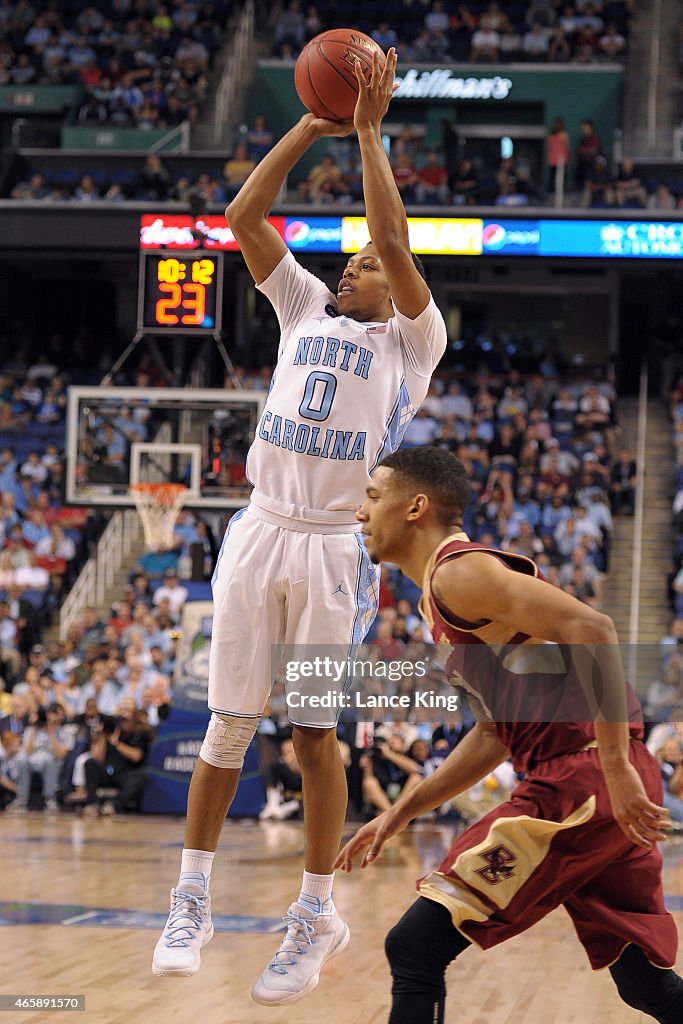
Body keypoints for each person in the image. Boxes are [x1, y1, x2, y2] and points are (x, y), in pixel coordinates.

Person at [152, 48, 447, 1007]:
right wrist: (309, 126)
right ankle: (187, 898)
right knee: (226, 728)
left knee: (314, 736)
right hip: (258, 528)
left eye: (365, 261)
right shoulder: (301, 307)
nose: (357, 265)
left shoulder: (412, 344)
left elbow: (397, 246)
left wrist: (366, 129)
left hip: (330, 547)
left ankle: (313, 912)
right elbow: (242, 217)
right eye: (352, 260)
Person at [336, 446, 682, 1024]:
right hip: (595, 777)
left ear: (415, 506)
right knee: (644, 983)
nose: (360, 513)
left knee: (414, 946)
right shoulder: (442, 593)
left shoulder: (459, 573)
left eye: (373, 497)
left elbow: (594, 628)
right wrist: (400, 813)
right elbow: (496, 734)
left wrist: (614, 765)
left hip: (583, 779)